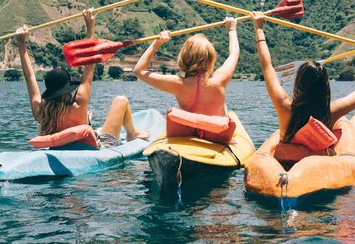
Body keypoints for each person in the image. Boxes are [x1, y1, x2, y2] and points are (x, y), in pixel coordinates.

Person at [16, 8, 149, 148]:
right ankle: (132, 133)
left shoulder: (41, 113)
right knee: (120, 100)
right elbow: (90, 60)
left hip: (66, 146)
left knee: (92, 121)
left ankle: (99, 129)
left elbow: (29, 76)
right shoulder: (78, 104)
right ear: (67, 89)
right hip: (99, 147)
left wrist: (20, 42)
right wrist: (90, 26)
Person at [250, 11, 355, 141]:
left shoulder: (284, 105)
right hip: (317, 160)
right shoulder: (332, 111)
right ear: (325, 85)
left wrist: (259, 29)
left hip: (286, 162)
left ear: (298, 82)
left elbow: (266, 65)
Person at [133, 17, 239, 118]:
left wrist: (157, 43)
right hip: (215, 134)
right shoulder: (220, 78)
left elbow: (139, 71)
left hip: (190, 134)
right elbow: (234, 53)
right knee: (224, 107)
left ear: (184, 57)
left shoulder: (178, 83)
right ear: (211, 58)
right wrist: (232, 30)